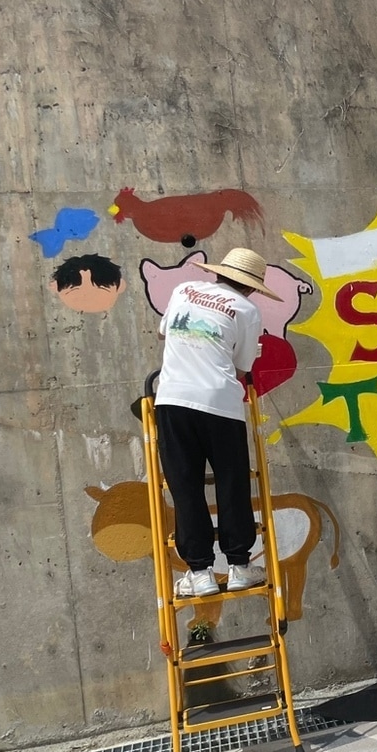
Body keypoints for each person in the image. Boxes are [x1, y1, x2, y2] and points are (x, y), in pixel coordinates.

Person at [155, 248, 279, 598]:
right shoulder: (247, 310)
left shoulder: (183, 290)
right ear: (252, 288)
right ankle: (240, 566)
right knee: (231, 482)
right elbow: (242, 369)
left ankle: (200, 573)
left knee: (185, 487)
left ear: (219, 273)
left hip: (173, 400)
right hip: (221, 404)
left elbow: (163, 332)